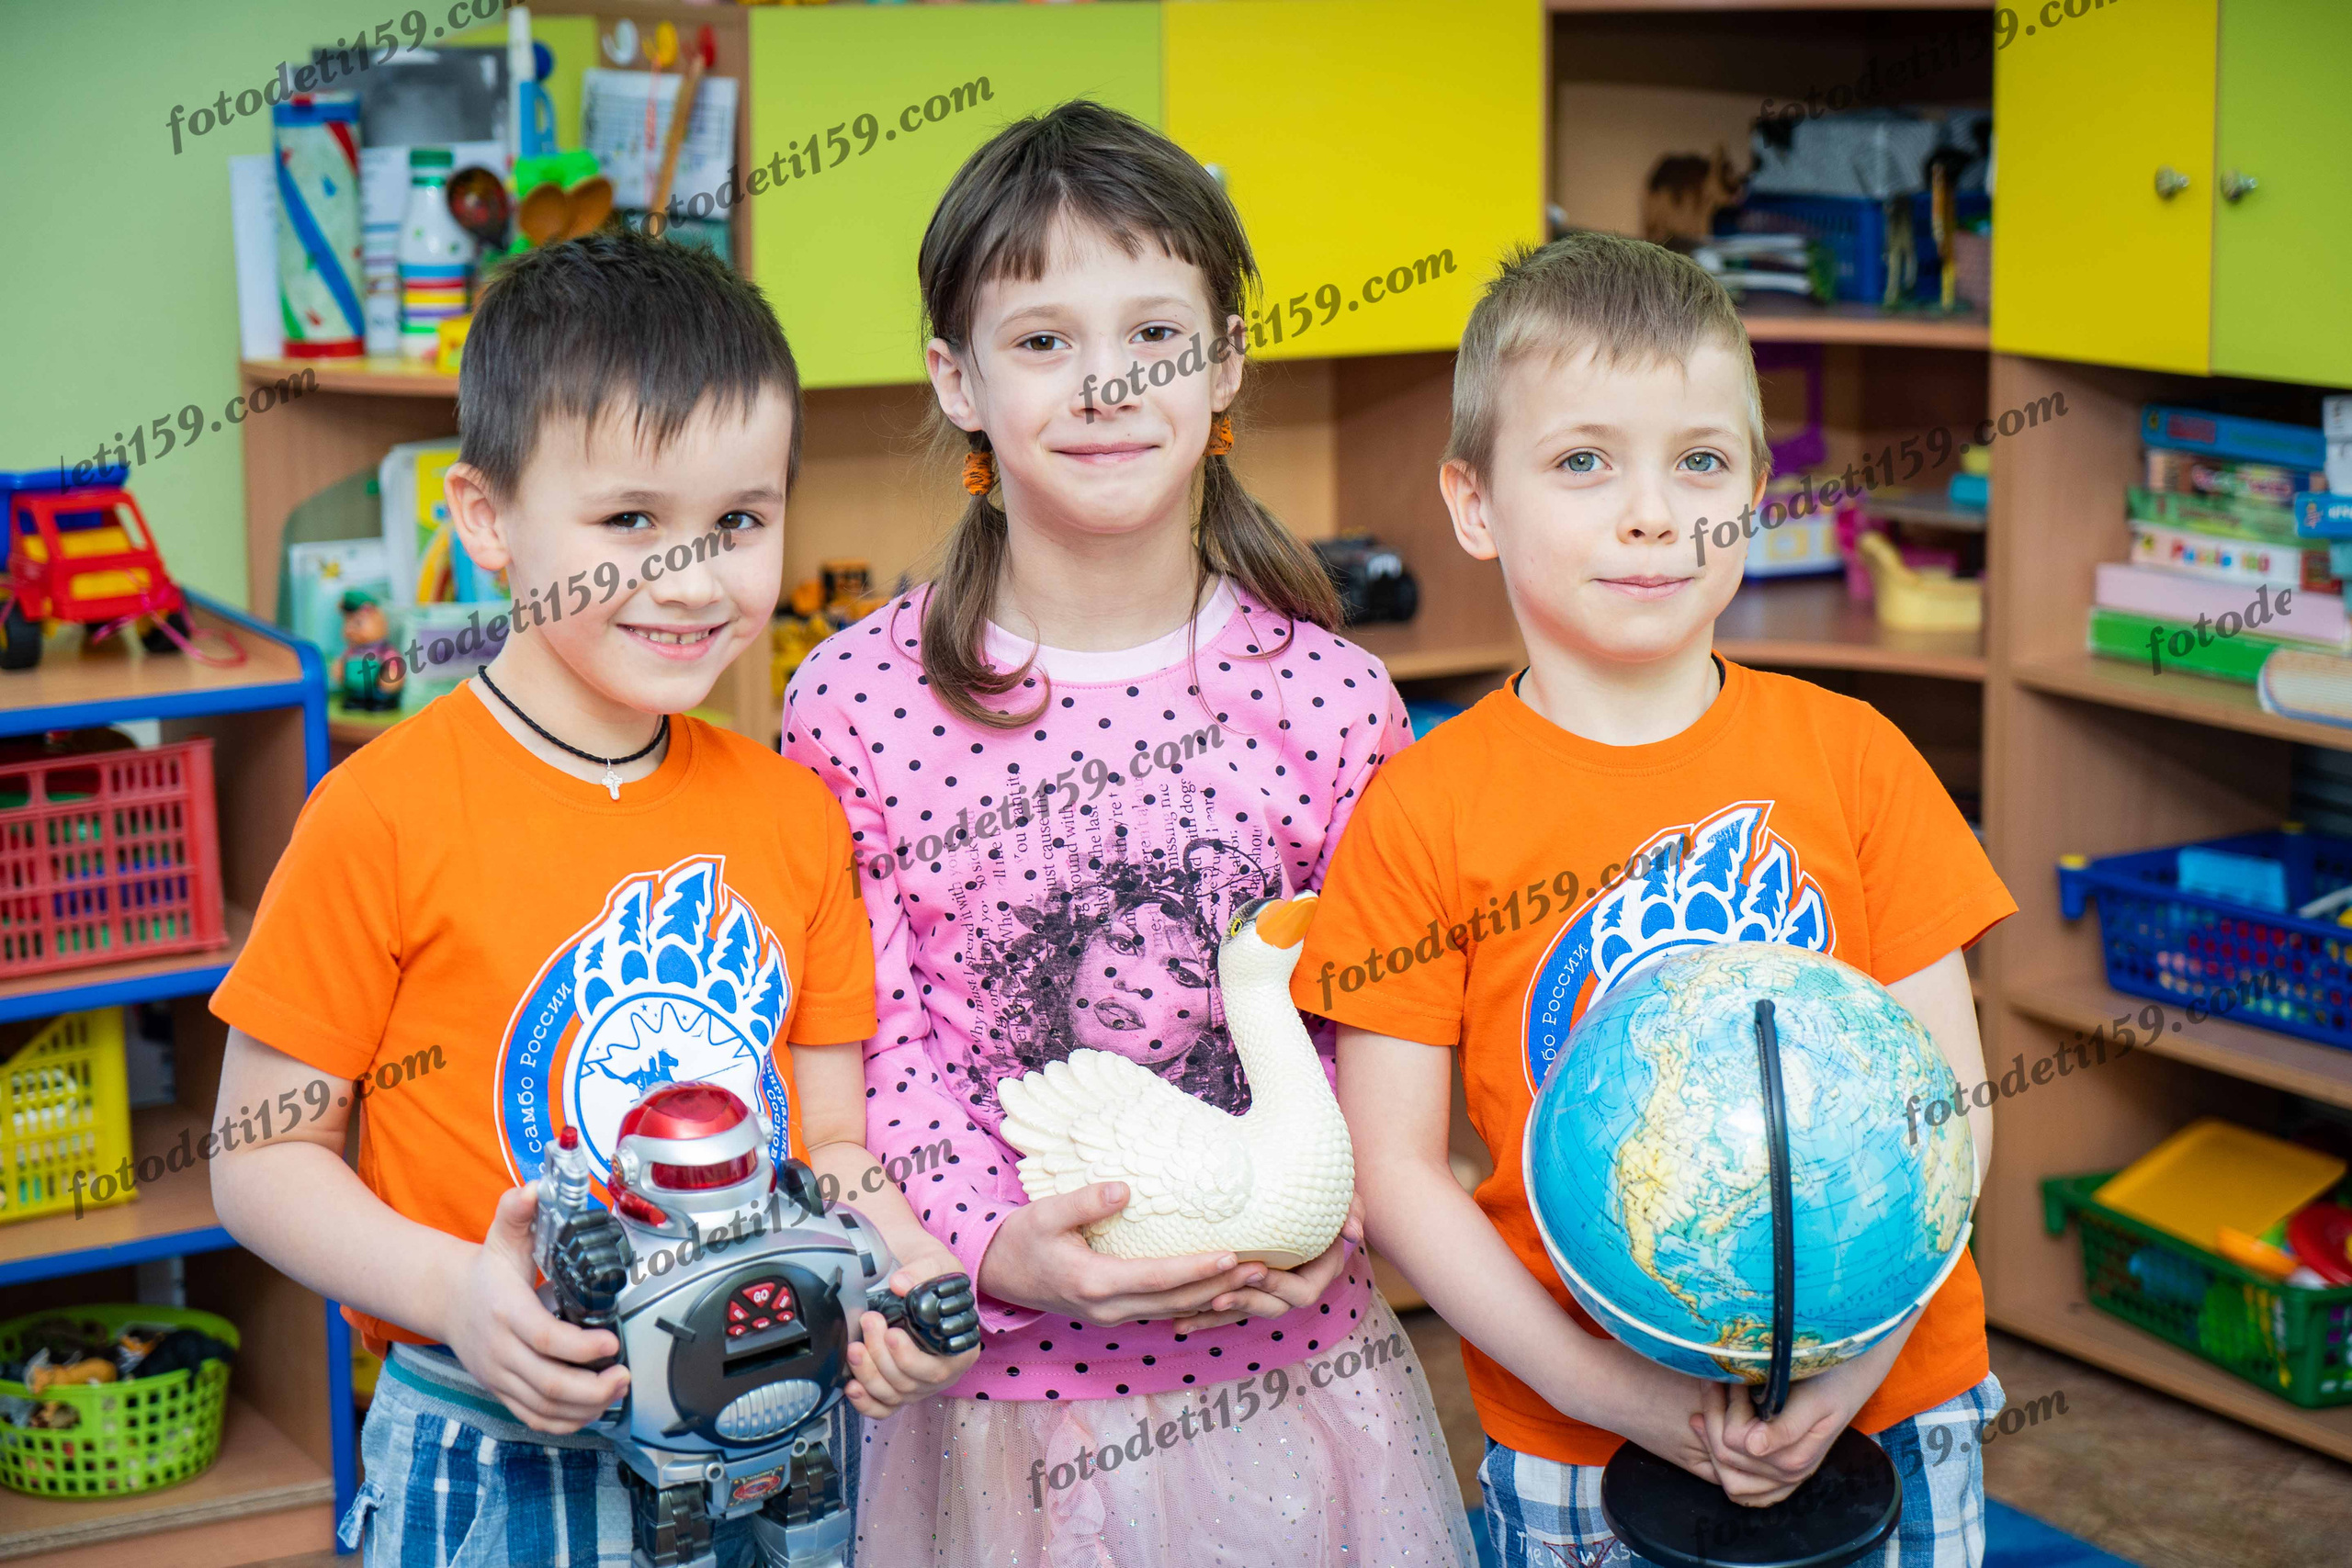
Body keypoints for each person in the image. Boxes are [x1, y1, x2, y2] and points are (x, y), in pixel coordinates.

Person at [209, 229, 976, 1567]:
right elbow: (258, 1158)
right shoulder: (379, 814)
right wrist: (457, 1291)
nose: (694, 578)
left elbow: (834, 1143)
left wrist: (903, 1270)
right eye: (630, 522)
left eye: (738, 522)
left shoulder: (793, 813)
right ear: (486, 519)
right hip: (493, 1440)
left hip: (769, 1424)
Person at [783, 101, 1475, 1567]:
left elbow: (1372, 1021)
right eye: (1042, 339)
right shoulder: (851, 701)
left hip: (1292, 1380)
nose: (1105, 383)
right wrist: (995, 1250)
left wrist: (1334, 1217)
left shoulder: (1336, 699)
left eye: (1155, 334)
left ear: (1226, 363)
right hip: (998, 1407)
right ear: (956, 379)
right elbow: (872, 1042)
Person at [1299, 232, 2014, 1568]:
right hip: (1584, 1439)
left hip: (1891, 1407)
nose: (1651, 513)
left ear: (1755, 492)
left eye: (1700, 462)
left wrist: (1850, 1380)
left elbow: (1954, 1109)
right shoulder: (1419, 809)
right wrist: (1625, 1400)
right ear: (1472, 502)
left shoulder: (1856, 757)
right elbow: (1395, 1174)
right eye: (1583, 462)